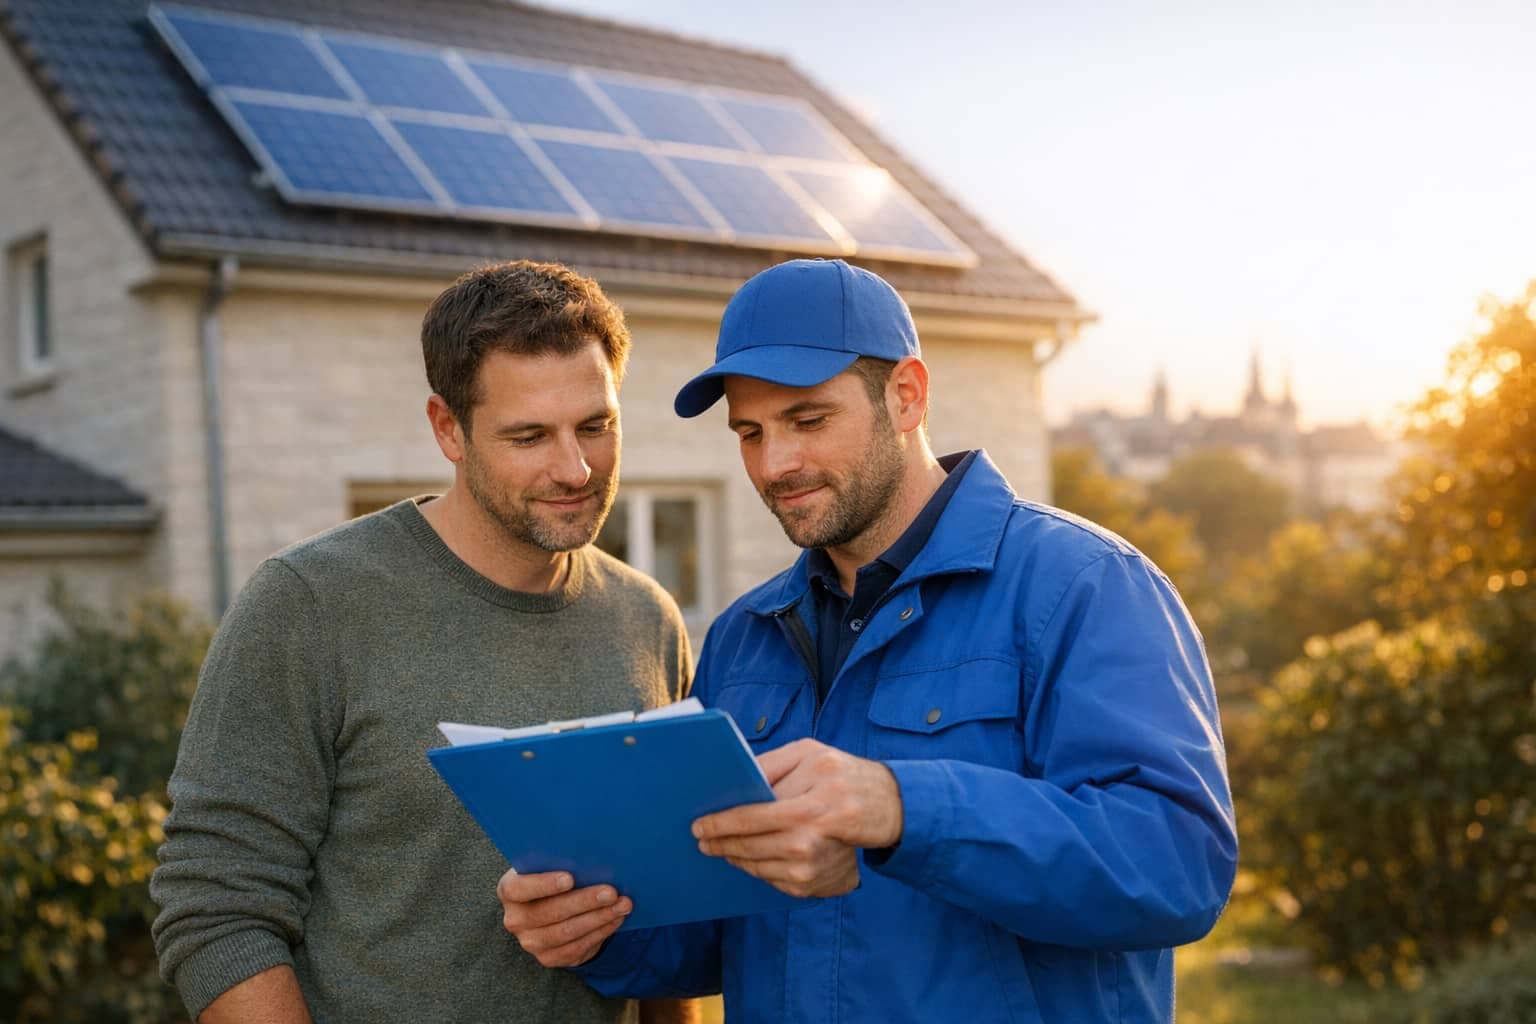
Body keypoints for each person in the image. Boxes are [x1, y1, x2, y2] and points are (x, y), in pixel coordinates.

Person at [497, 258, 1238, 1023]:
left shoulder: (1083, 585)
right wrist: (597, 928)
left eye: (809, 420)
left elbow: (1178, 866)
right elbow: (717, 932)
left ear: (907, 395)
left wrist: (903, 808)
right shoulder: (742, 640)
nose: (775, 464)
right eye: (750, 433)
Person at [152, 261, 698, 1024]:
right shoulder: (310, 603)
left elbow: (668, 906)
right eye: (529, 435)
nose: (574, 468)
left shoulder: (647, 618)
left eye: (596, 426)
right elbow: (216, 907)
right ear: (449, 429)